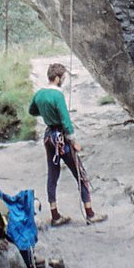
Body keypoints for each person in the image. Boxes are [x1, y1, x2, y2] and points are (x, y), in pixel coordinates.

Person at [29, 62, 105, 226]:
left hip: (49, 137)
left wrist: (45, 112)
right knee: (80, 174)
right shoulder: (57, 95)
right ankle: (90, 213)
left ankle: (55, 215)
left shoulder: (39, 94)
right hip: (61, 139)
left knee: (52, 175)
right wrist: (73, 141)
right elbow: (66, 122)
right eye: (62, 78)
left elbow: (32, 111)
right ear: (57, 78)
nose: (63, 80)